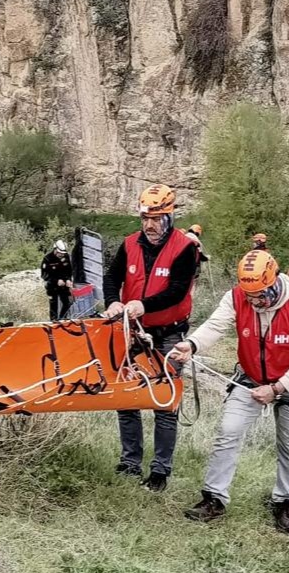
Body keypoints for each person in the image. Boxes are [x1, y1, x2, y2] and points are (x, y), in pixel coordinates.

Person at [172, 249, 289, 532]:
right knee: (228, 433)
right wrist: (191, 345)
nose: (254, 301)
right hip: (249, 378)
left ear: (274, 280)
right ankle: (214, 498)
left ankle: (285, 501)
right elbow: (216, 325)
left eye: (260, 294)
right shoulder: (236, 297)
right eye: (249, 294)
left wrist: (277, 388)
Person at [103, 184, 197, 492]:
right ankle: (130, 462)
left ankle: (159, 471)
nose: (150, 225)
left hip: (168, 334)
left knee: (164, 401)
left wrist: (145, 305)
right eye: (145, 218)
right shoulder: (130, 244)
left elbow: (178, 291)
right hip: (131, 333)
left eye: (156, 218)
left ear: (169, 217)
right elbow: (112, 277)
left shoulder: (184, 248)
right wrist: (112, 301)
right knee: (126, 397)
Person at [41, 239, 73, 320]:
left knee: (67, 303)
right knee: (53, 305)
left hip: (64, 285)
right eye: (60, 253)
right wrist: (56, 281)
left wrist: (68, 279)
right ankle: (54, 320)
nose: (61, 255)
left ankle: (63, 319)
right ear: (55, 249)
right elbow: (44, 275)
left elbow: (69, 270)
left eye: (63, 253)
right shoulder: (47, 259)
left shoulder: (66, 257)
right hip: (52, 285)